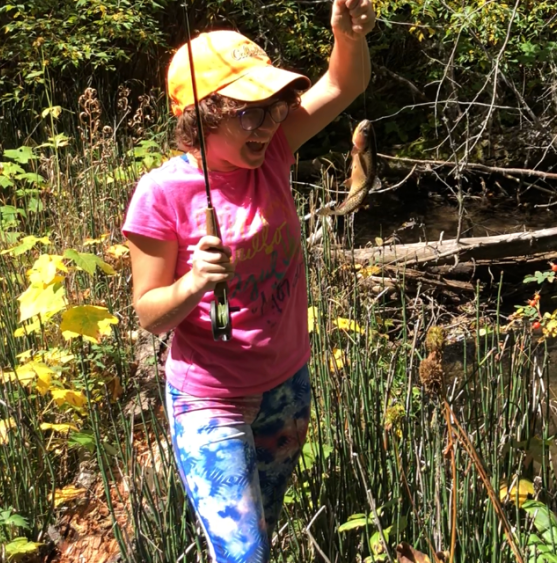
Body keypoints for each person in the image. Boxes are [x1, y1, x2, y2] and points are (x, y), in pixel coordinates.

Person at [121, 0, 375, 561]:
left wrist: (348, 36)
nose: (267, 125)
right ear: (200, 115)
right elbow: (148, 313)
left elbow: (345, 82)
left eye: (274, 108)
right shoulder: (160, 194)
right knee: (244, 555)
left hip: (288, 387)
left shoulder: (275, 151)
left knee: (263, 531)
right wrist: (191, 284)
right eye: (247, 113)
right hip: (211, 400)